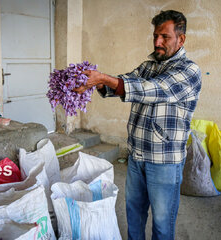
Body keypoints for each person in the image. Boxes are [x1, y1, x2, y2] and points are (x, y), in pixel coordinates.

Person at [75, 10, 202, 240]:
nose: (157, 42)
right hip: (137, 156)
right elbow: (125, 83)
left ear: (181, 39)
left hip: (164, 162)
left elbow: (151, 91)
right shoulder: (148, 65)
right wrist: (95, 83)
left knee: (162, 226)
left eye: (164, 36)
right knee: (134, 216)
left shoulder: (189, 70)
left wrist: (103, 78)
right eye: (155, 36)